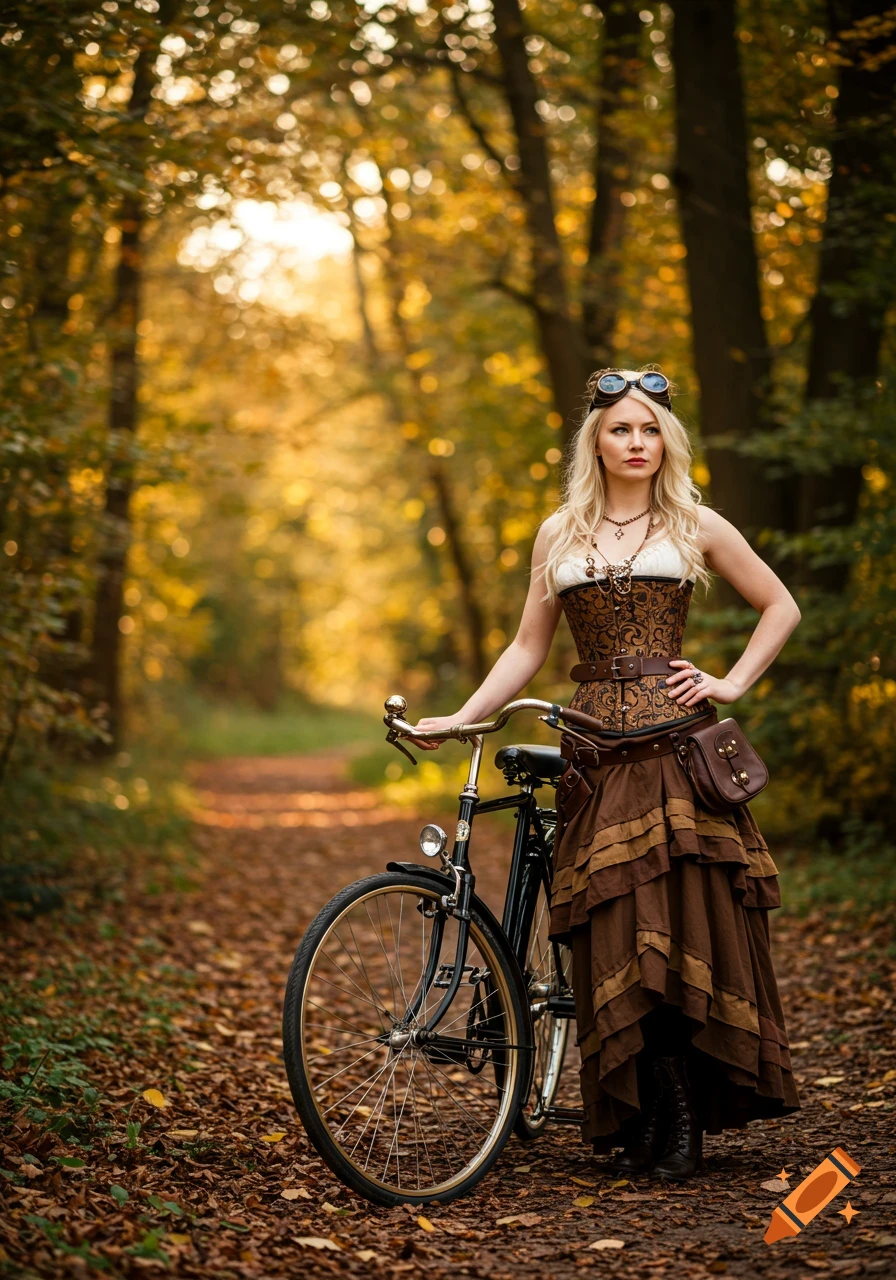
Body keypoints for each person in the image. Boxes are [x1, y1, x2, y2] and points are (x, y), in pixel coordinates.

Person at [415, 366, 802, 1181]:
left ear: (668, 442)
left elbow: (781, 605)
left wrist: (730, 681)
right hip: (593, 749)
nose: (636, 442)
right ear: (595, 439)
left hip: (675, 748)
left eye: (650, 429)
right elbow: (528, 647)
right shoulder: (558, 532)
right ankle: (646, 1112)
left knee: (679, 931)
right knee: (613, 937)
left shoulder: (696, 523)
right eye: (621, 429)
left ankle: (683, 1119)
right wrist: (460, 717)